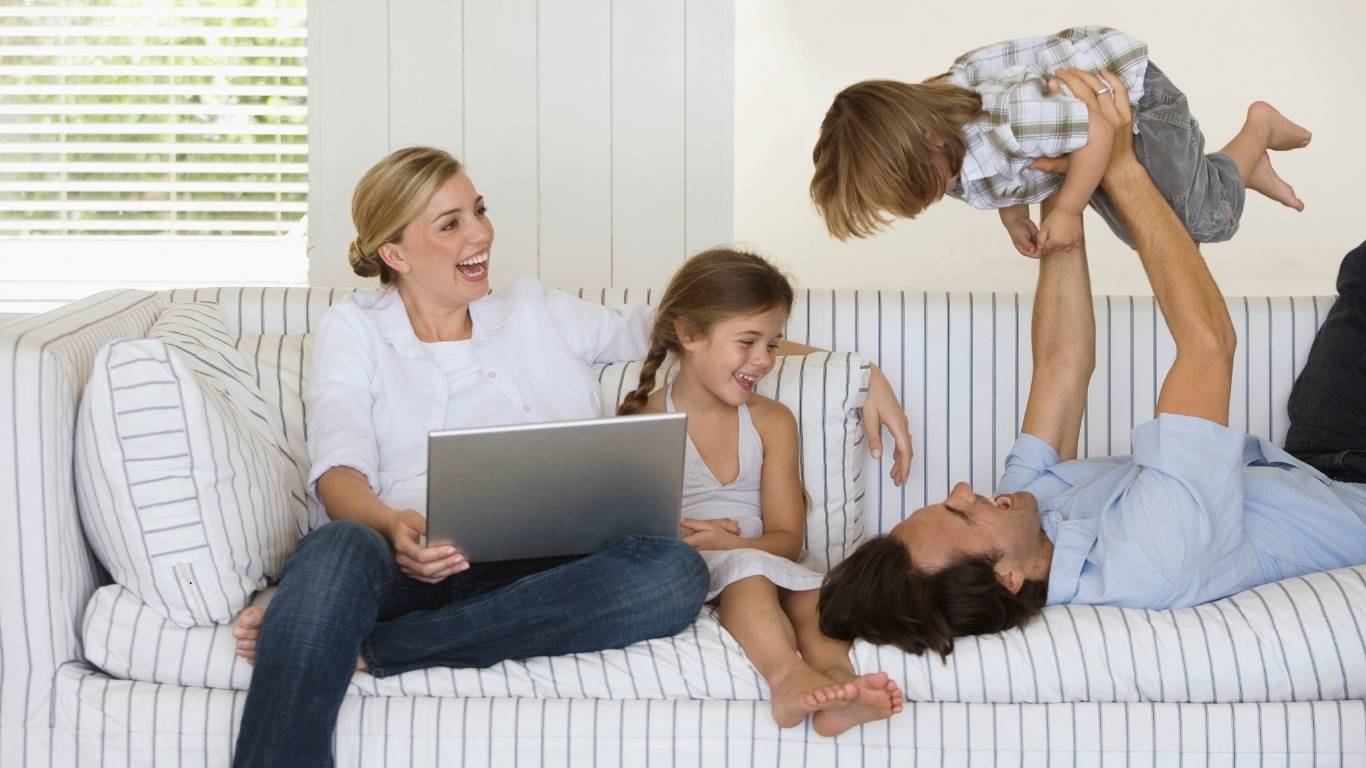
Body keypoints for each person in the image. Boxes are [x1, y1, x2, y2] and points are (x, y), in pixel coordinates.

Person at [230, 147, 915, 765]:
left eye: (479, 211)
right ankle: (322, 632)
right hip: (408, 562)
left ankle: (366, 642)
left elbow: (695, 329)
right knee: (336, 548)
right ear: (396, 253)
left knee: (672, 572)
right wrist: (389, 525)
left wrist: (858, 371)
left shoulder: (535, 309)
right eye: (450, 224)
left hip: (556, 570)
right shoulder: (354, 329)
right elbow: (339, 470)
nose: (480, 234)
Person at [817, 70, 1366, 660]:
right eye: (963, 514)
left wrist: (1062, 185)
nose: (964, 489)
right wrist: (1121, 166)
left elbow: (1061, 363)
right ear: (1008, 578)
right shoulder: (1150, 554)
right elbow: (1209, 345)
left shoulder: (1026, 517)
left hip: (1311, 464)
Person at [617, 248, 903, 736]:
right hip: (698, 567)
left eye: (772, 344)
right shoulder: (644, 422)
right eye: (748, 342)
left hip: (765, 557)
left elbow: (788, 540)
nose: (764, 360)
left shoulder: (772, 422)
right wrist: (713, 545)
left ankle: (840, 686)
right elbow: (630, 538)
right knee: (748, 577)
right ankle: (787, 678)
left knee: (812, 597)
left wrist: (739, 544)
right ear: (689, 334)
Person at [810, 26, 1312, 257]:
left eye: (920, 186)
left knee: (1200, 221)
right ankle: (1246, 169)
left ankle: (1259, 130)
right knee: (1147, 235)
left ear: (927, 139)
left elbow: (1098, 128)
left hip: (1130, 98)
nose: (927, 200)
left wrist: (1068, 210)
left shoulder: (1008, 118)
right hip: (1078, 133)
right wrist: (1015, 219)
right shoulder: (944, 151)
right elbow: (1000, 178)